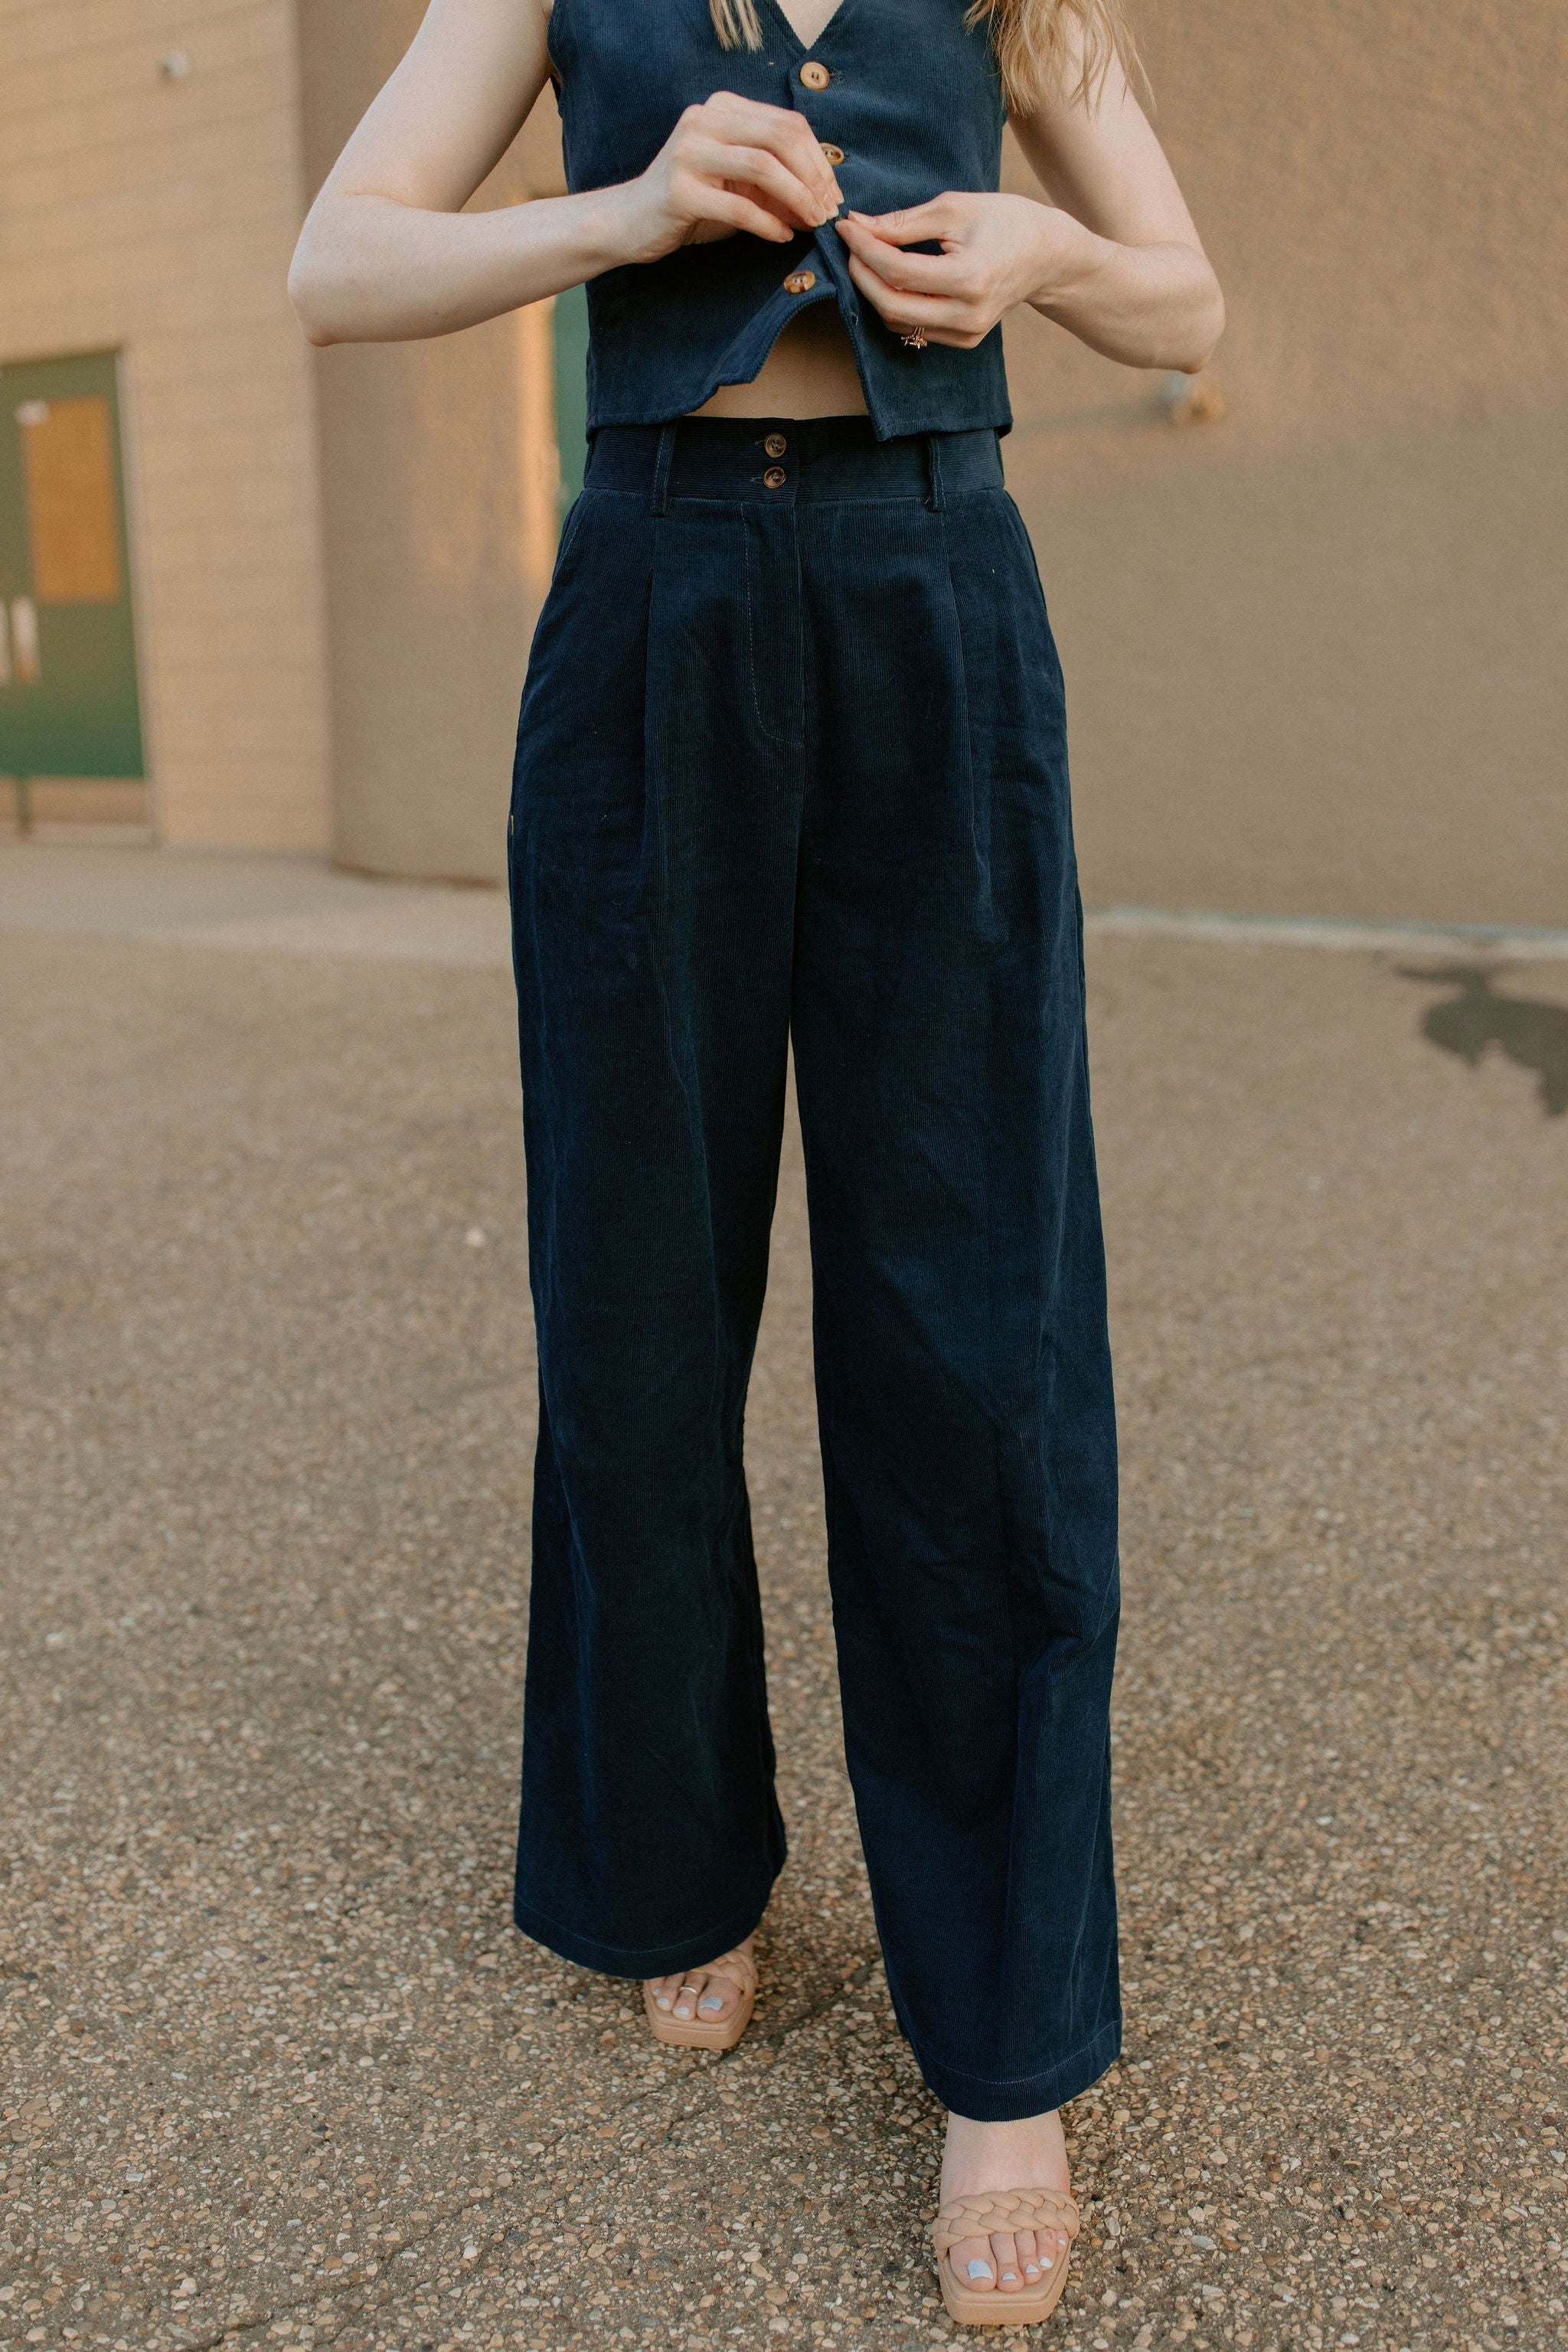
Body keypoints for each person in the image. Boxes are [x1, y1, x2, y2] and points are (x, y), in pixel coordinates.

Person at [289, 0, 1221, 2323]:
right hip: (654, 593)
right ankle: (675, 1857)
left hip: (938, 597)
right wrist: (623, 212)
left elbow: (1189, 299)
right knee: (632, 1289)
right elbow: (337, 262)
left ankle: (1005, 2046)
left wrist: (1039, 255)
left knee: (975, 1338)